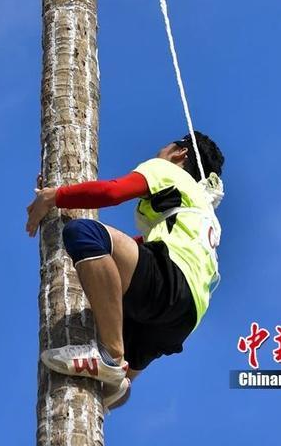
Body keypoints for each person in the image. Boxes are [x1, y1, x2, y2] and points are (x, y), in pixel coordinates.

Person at [26, 131, 225, 411]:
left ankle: (109, 355)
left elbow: (112, 192)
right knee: (114, 385)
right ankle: (118, 379)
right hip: (185, 317)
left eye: (167, 144)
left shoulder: (169, 170)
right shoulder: (200, 213)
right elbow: (134, 249)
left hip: (168, 282)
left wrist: (54, 196)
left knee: (84, 234)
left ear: (180, 154)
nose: (161, 148)